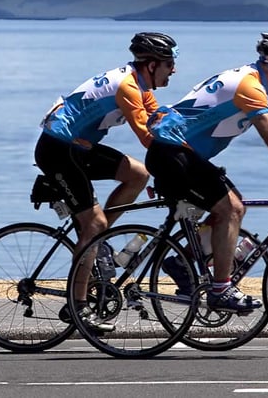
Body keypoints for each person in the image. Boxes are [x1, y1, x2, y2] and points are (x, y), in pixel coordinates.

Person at [146, 33, 268, 312]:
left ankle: (182, 261)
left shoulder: (245, 79)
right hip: (173, 155)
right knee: (232, 210)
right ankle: (220, 290)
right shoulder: (249, 86)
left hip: (177, 155)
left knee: (229, 206)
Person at [36, 32, 178, 329]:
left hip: (78, 147)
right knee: (95, 225)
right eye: (168, 63)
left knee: (138, 174)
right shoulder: (128, 87)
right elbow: (148, 139)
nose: (173, 69)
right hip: (58, 149)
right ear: (151, 65)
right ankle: (78, 307)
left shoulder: (141, 85)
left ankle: (95, 243)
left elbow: (161, 125)